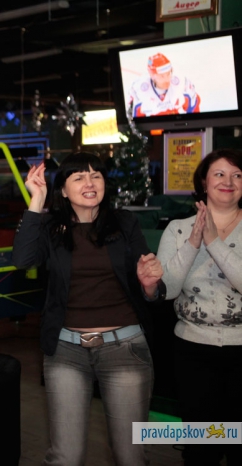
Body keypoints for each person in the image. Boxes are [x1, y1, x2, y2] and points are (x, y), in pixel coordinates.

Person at [13, 152, 165, 465]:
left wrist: (149, 284)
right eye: (79, 177)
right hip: (65, 351)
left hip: (125, 348)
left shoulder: (125, 222)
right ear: (63, 189)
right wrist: (37, 199)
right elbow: (23, 260)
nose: (90, 182)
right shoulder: (51, 227)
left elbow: (151, 287)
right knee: (65, 456)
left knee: (130, 455)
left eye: (96, 176)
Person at [156, 149, 242, 465]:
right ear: (204, 182)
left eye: (237, 175)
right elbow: (167, 291)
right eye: (219, 174)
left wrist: (214, 242)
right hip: (193, 351)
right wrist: (195, 242)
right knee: (201, 446)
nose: (228, 181)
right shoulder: (178, 229)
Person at [128, 52, 201, 117]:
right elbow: (134, 119)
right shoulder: (138, 90)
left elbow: (194, 106)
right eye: (162, 76)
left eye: (168, 73)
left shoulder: (182, 83)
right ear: (152, 75)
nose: (167, 79)